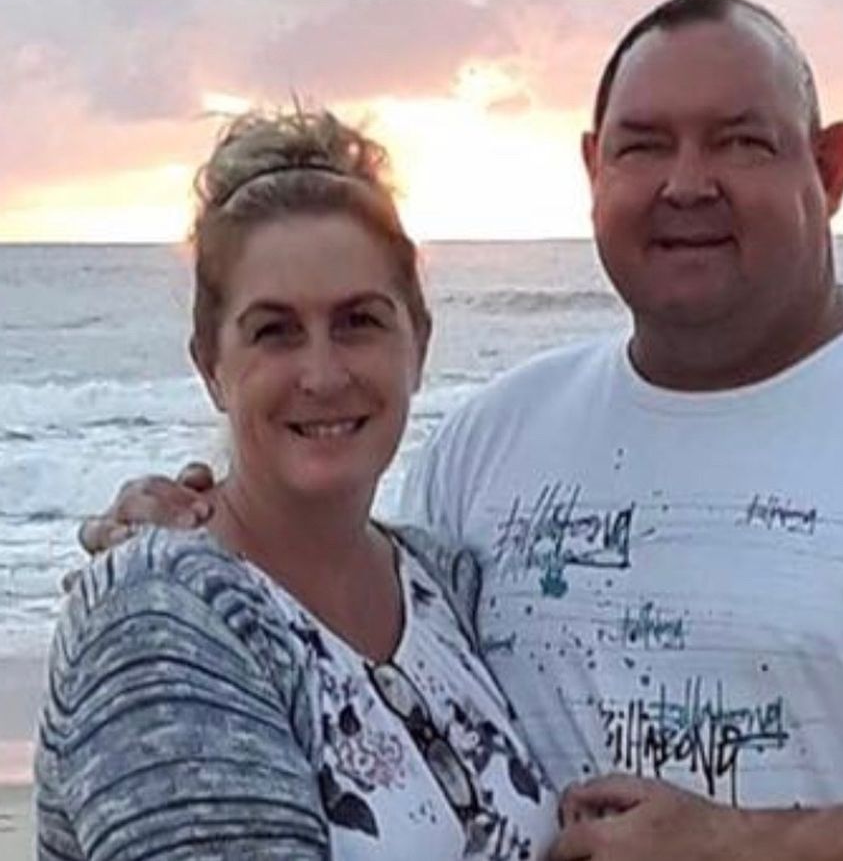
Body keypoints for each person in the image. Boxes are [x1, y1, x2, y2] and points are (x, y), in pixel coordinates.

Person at [79, 0, 843, 861]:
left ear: (830, 168)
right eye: (645, 144)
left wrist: (747, 847)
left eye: (741, 142)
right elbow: (339, 636)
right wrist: (191, 543)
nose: (686, 184)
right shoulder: (494, 444)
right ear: (593, 168)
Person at [37, 108, 557, 860]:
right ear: (210, 365)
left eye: (358, 322)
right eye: (274, 331)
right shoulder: (159, 622)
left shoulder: (445, 587)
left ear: (418, 344)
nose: (322, 374)